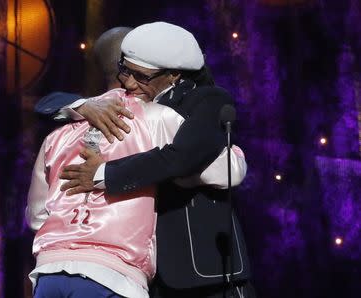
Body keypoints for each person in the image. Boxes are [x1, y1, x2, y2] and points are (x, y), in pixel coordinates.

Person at [26, 25, 247, 298]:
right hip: (121, 273)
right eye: (125, 71)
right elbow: (228, 170)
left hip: (191, 263)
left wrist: (103, 174)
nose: (129, 83)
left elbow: (37, 216)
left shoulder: (60, 134)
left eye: (140, 75)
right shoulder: (151, 118)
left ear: (173, 74)